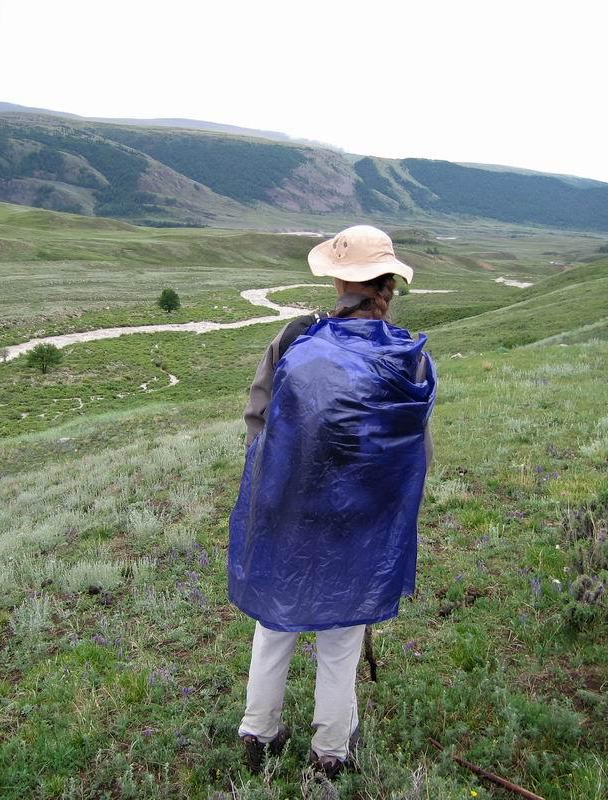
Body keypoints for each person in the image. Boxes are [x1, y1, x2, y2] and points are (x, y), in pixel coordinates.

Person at [228, 225, 437, 777]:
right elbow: (416, 451)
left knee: (275, 622)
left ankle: (259, 734)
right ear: (388, 283)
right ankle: (330, 753)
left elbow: (258, 422)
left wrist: (279, 483)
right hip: (361, 517)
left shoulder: (294, 339)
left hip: (288, 508)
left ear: (340, 278)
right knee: (341, 632)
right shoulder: (407, 357)